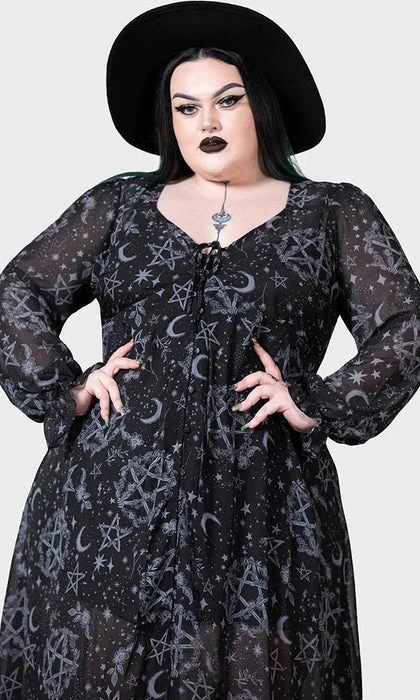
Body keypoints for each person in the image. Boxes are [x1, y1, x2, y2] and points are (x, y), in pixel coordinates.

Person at [0, 1, 418, 697]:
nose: (207, 123)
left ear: (263, 106)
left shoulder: (333, 211)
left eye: (228, 100)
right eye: (186, 107)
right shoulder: (120, 204)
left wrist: (319, 402)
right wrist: (64, 386)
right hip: (109, 504)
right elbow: (17, 291)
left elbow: (406, 324)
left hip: (265, 507)